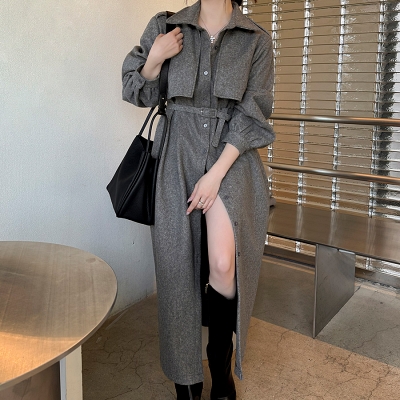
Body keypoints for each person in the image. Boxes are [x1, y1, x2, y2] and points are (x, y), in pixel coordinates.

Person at [122, 0, 274, 399]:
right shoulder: (166, 26)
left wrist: (215, 174)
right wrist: (155, 59)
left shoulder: (256, 39)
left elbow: (254, 113)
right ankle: (186, 382)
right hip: (176, 153)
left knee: (224, 264)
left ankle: (219, 367)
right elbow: (134, 91)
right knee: (176, 269)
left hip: (231, 157)